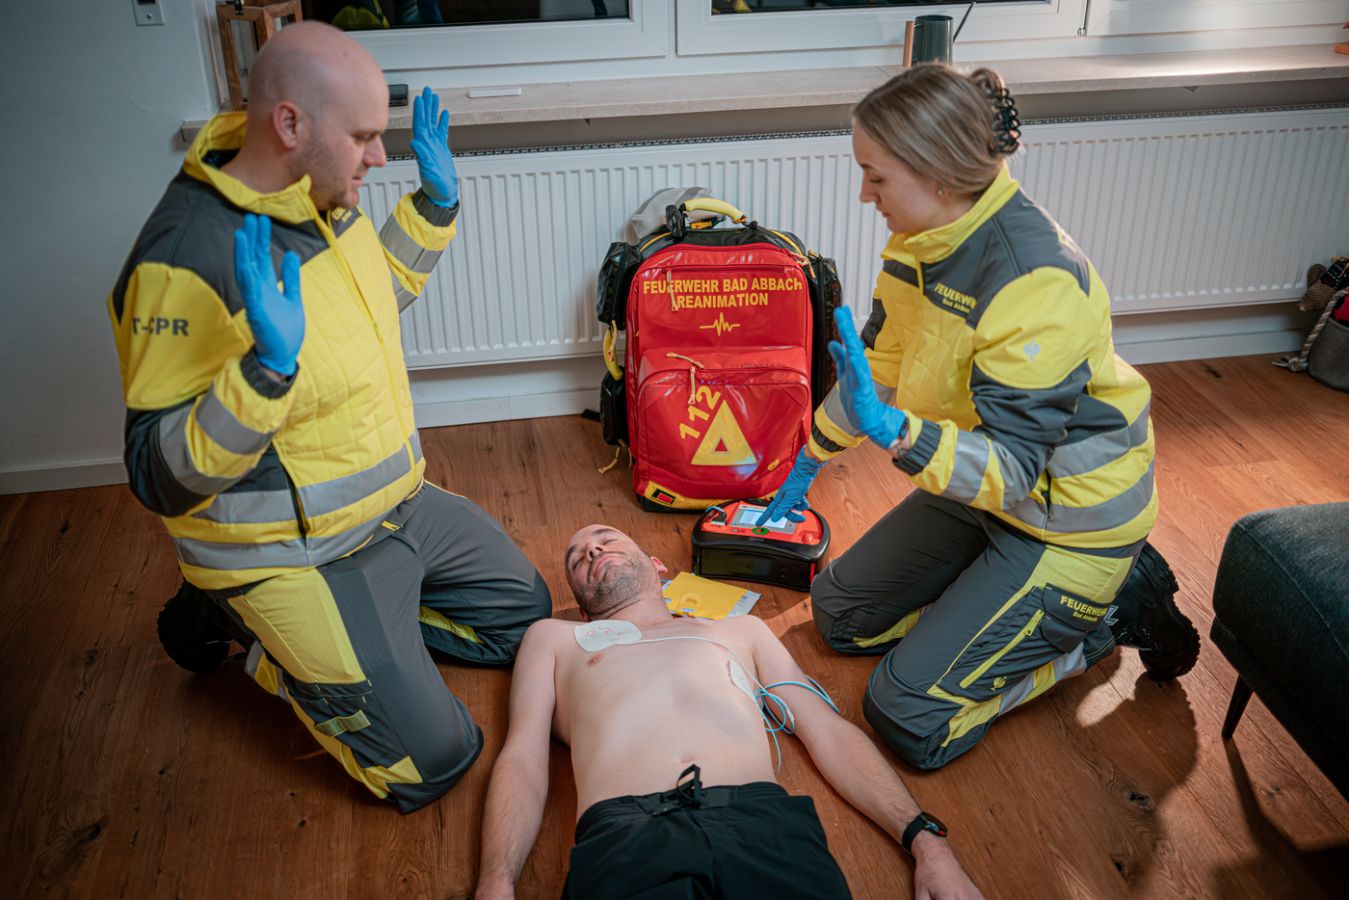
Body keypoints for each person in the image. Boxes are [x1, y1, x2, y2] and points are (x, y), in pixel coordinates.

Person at [106, 22, 551, 812]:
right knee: (432, 760)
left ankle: (369, 638)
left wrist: (434, 209)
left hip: (395, 503)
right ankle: (248, 627)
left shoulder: (321, 196)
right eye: (364, 136)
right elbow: (156, 475)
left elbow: (369, 309)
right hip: (290, 551)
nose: (379, 157)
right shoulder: (182, 259)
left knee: (525, 621)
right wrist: (265, 374)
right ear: (289, 124)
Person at [759, 64, 1200, 771]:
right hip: (980, 487)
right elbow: (880, 366)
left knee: (908, 716)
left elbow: (1015, 470)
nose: (864, 194)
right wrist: (812, 453)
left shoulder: (1032, 281)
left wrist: (899, 434)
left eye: (875, 176)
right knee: (840, 618)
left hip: (1065, 519)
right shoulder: (922, 241)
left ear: (937, 174)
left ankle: (1106, 620)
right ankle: (992, 608)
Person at [474, 524, 983, 900]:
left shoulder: (742, 632)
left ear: (655, 564)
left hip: (760, 823)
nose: (592, 550)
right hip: (628, 835)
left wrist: (926, 842)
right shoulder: (555, 639)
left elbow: (826, 729)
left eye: (606, 539)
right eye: (577, 559)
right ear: (583, 607)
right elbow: (522, 758)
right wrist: (496, 883)